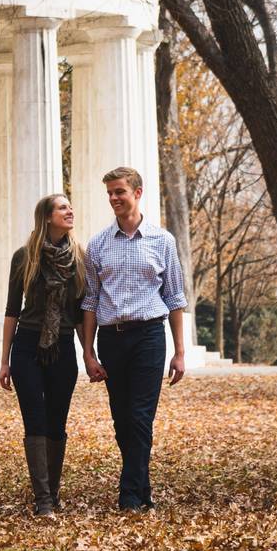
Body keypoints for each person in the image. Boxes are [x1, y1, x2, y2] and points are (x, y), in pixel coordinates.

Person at [81, 166, 187, 512]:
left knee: (141, 416)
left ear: (137, 193)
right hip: (112, 339)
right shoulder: (96, 245)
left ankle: (128, 495)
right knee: (122, 419)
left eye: (119, 192)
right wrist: (88, 352)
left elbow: (174, 298)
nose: (113, 198)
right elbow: (91, 302)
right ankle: (142, 488)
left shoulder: (163, 241)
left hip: (149, 337)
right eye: (110, 193)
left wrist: (180, 352)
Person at [0, 194, 86, 517]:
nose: (70, 211)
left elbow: (79, 314)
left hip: (63, 347)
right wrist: (4, 360)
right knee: (34, 420)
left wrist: (89, 354)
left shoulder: (79, 258)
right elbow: (11, 311)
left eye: (70, 207)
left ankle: (54, 491)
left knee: (57, 422)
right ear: (47, 217)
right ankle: (43, 499)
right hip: (27, 347)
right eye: (63, 208)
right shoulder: (24, 258)